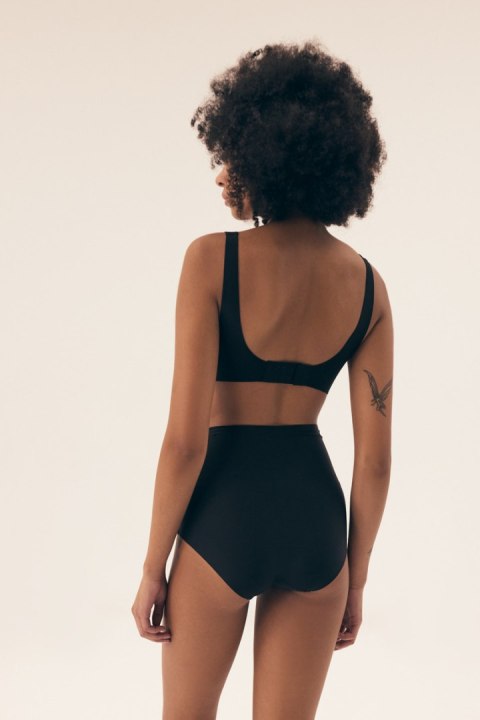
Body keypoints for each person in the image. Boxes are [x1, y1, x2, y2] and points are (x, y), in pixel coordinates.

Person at [131, 39, 393, 720]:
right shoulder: (369, 287)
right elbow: (375, 463)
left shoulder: (211, 261)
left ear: (260, 153)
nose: (223, 174)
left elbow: (184, 442)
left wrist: (153, 567)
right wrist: (354, 579)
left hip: (223, 516)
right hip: (316, 527)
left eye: (230, 157)